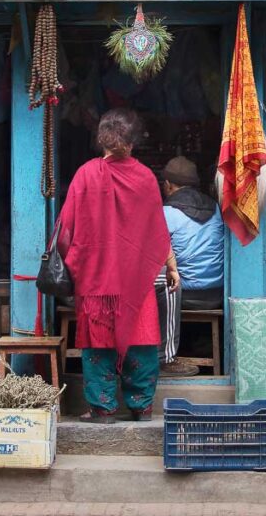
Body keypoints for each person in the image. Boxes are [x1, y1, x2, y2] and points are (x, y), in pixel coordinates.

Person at [58, 108, 178, 423]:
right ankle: (141, 407)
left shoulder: (86, 174)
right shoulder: (145, 177)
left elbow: (66, 229)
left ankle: (103, 408)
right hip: (136, 281)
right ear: (134, 141)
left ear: (102, 140)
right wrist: (171, 266)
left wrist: (73, 265)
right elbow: (157, 230)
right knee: (141, 340)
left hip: (98, 278)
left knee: (98, 344)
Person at [155, 156, 225, 376]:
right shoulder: (216, 208)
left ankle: (160, 357)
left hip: (182, 295)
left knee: (156, 277)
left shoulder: (165, 213)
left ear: (168, 185)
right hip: (216, 293)